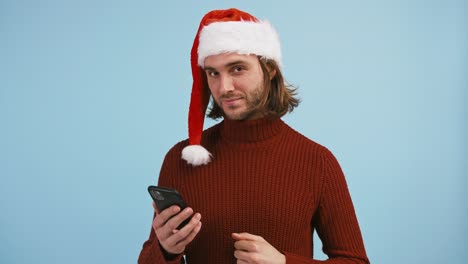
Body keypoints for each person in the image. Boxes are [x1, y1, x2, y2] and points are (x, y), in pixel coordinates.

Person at [138, 8, 370, 264]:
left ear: (269, 69)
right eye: (213, 73)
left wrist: (284, 263)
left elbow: (355, 261)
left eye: (237, 68)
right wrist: (166, 251)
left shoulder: (317, 162)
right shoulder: (182, 158)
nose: (224, 87)